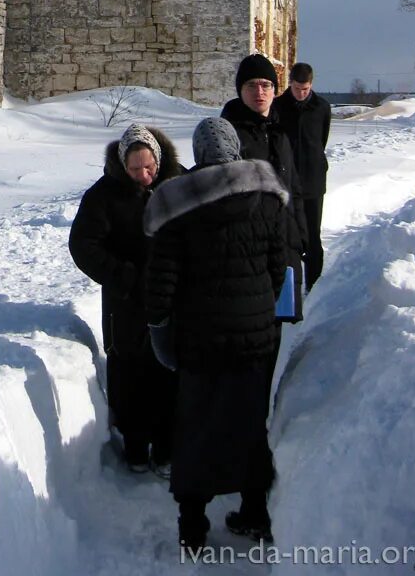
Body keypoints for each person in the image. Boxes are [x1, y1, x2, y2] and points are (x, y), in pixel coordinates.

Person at [144, 117, 288, 553]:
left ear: (199, 154)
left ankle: (192, 525)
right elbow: (278, 267)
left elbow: (161, 283)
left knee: (195, 427)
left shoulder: (177, 204)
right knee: (249, 423)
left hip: (199, 339)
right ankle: (254, 512)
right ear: (236, 149)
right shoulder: (266, 196)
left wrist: (159, 329)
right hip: (254, 336)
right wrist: (260, 309)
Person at [69, 122, 182, 475]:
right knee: (130, 374)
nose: (145, 176)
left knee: (170, 372)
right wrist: (124, 276)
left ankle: (166, 447)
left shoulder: (178, 184)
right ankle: (135, 445)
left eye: (150, 168)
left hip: (171, 299)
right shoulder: (104, 195)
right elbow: (83, 245)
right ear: (123, 165)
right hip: (126, 304)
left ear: (159, 160)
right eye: (135, 170)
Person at [221, 54, 308, 323]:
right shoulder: (229, 136)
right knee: (251, 328)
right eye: (251, 86)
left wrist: (300, 235)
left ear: (274, 89)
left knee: (276, 327)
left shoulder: (280, 133)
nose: (259, 92)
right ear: (240, 90)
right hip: (249, 255)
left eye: (265, 85)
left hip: (285, 247)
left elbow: (293, 187)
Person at [273, 62, 331, 292]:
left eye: (305, 89)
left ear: (311, 85)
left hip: (313, 180)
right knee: (288, 236)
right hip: (286, 181)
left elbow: (322, 140)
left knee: (313, 237)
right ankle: (289, 287)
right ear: (290, 84)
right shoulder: (278, 106)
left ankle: (313, 287)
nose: (301, 93)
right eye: (297, 88)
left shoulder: (322, 107)